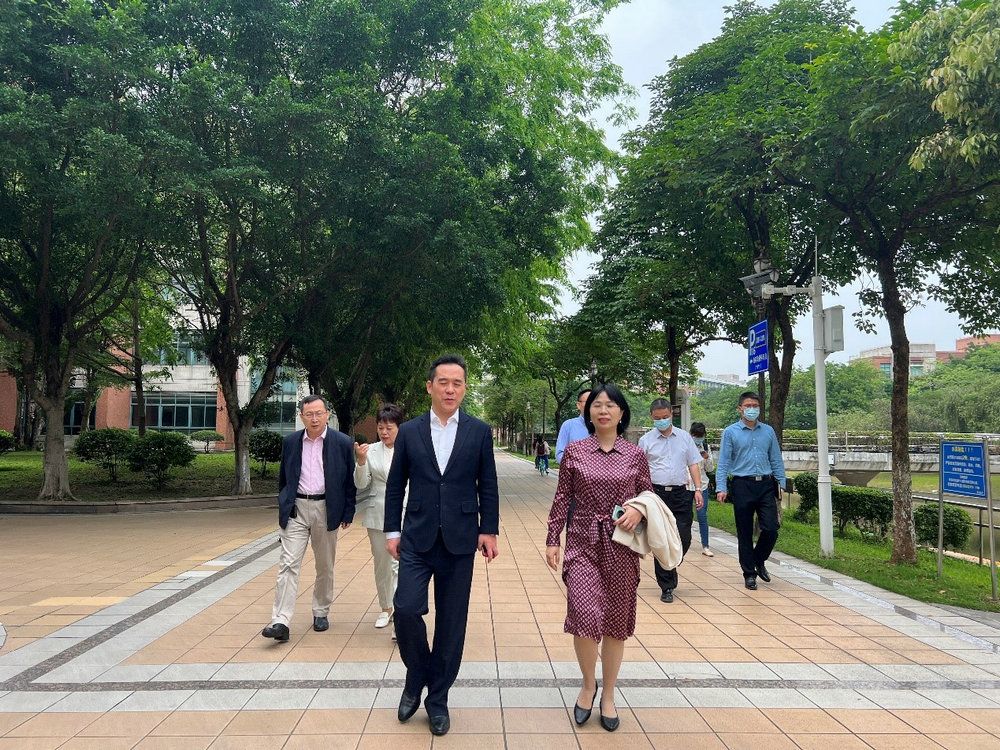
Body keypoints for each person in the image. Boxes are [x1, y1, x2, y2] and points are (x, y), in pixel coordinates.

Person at [384, 354, 500, 737]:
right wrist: (391, 531)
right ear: (429, 386)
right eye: (443, 382)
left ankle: (437, 699)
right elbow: (396, 484)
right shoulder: (410, 431)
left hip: (460, 539)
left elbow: (488, 484)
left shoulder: (479, 431)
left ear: (464, 388)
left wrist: (489, 529)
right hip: (416, 537)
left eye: (457, 383)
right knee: (405, 609)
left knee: (451, 624)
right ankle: (417, 675)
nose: (450, 389)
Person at [545, 384, 653, 733]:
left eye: (610, 405)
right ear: (588, 412)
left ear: (622, 413)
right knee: (584, 613)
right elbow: (562, 498)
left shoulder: (635, 455)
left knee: (615, 621)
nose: (603, 410)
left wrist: (638, 510)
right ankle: (588, 685)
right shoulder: (575, 452)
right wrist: (553, 538)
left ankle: (608, 693)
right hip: (582, 542)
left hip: (622, 545)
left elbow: (648, 494)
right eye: (597, 405)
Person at [262, 395, 356, 643]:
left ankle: (321, 611)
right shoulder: (291, 442)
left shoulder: (342, 442)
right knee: (288, 564)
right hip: (297, 509)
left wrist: (348, 512)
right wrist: (284, 504)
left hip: (326, 508)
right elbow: (284, 478)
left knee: (324, 565)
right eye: (309, 414)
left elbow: (349, 481)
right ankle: (280, 621)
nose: (314, 419)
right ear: (302, 416)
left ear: (327, 415)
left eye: (319, 413)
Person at [715, 391, 787, 590]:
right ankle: (749, 574)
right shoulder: (730, 432)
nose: (752, 409)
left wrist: (781, 482)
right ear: (740, 408)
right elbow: (724, 462)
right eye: (748, 406)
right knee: (745, 532)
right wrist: (721, 487)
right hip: (742, 485)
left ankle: (758, 559)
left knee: (771, 528)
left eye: (755, 406)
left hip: (765, 484)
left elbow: (775, 458)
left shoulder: (768, 431)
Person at [637, 399, 704, 603]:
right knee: (661, 539)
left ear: (671, 415)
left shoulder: (684, 438)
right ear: (651, 417)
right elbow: (639, 470)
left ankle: (671, 565)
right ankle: (666, 586)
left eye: (665, 417)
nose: (662, 421)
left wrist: (698, 489)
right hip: (656, 494)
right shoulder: (646, 441)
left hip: (681, 494)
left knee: (684, 537)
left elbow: (693, 464)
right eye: (657, 418)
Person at [354, 403, 406, 631]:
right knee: (382, 565)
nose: (384, 432)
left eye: (389, 428)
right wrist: (361, 462)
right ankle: (386, 608)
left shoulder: (410, 448)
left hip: (405, 512)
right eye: (380, 428)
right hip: (378, 514)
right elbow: (361, 484)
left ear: (399, 428)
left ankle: (402, 613)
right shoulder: (370, 450)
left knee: (401, 565)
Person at [688, 422, 715, 557]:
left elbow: (710, 469)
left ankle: (705, 546)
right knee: (686, 515)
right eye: (696, 436)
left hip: (702, 485)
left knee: (702, 515)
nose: (698, 438)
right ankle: (683, 541)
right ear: (691, 434)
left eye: (701, 436)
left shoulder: (705, 446)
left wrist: (707, 457)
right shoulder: (685, 445)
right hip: (687, 485)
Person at [555, 389, 591, 463]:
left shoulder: (605, 427)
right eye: (588, 401)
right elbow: (560, 454)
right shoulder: (568, 425)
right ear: (578, 405)